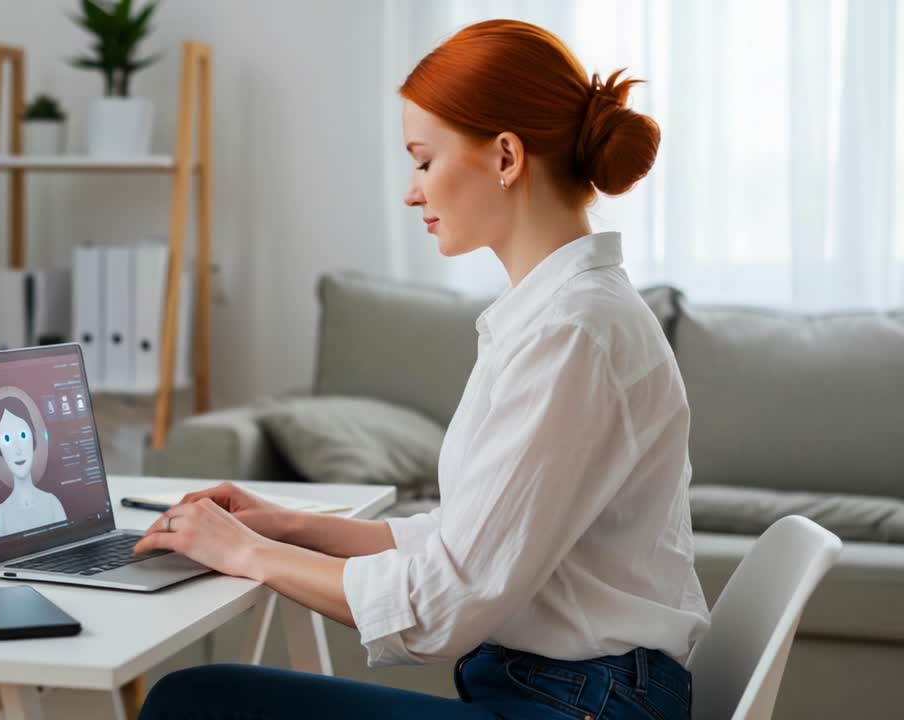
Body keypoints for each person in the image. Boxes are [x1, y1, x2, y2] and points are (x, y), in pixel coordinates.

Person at [134, 18, 710, 720]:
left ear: (505, 157)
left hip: (578, 706)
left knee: (195, 702)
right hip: (580, 691)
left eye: (424, 160)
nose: (413, 193)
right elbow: (466, 540)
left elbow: (447, 602)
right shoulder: (556, 314)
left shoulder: (572, 333)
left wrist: (248, 555)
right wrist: (285, 526)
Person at [0, 395, 66, 538]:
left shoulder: (52, 504)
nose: (17, 449)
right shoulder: (1, 516)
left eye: (23, 435)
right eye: (7, 439)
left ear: (33, 438)